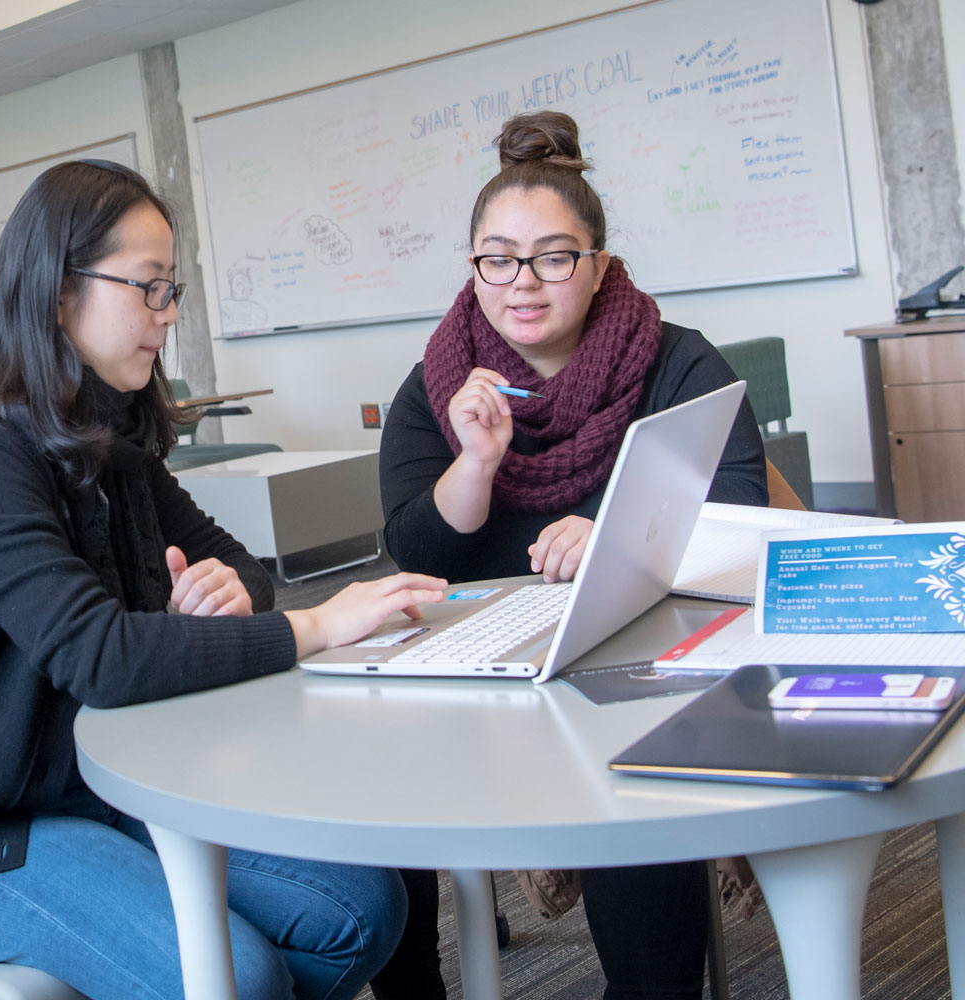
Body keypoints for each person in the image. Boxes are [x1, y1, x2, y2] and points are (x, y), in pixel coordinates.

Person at [0, 158, 447, 999]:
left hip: (115, 777)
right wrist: (315, 625)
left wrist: (232, 591)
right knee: (242, 975)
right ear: (59, 291)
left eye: (170, 288)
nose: (167, 314)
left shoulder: (108, 434)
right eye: (147, 288)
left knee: (363, 907)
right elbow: (100, 658)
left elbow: (241, 564)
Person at [368, 111, 767, 1000]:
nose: (523, 283)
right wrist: (475, 463)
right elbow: (413, 545)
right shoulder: (440, 380)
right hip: (482, 671)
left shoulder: (674, 362)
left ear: (596, 263)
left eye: (554, 256)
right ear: (473, 268)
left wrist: (621, 536)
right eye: (497, 259)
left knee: (631, 787)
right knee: (375, 781)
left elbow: (741, 504)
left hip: (630, 661)